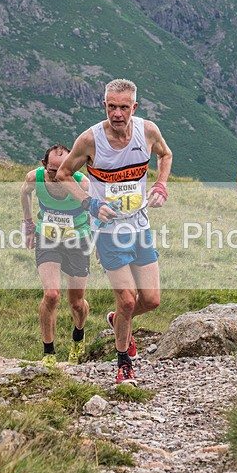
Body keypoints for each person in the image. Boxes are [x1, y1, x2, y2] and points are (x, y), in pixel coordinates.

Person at [57, 79, 172, 386]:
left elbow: (166, 154)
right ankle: (124, 364)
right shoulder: (90, 140)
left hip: (140, 225)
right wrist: (90, 204)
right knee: (128, 300)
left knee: (152, 300)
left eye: (123, 107)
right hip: (107, 231)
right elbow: (63, 174)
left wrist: (161, 184)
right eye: (111, 106)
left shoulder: (148, 131)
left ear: (134, 107)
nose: (117, 113)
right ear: (104, 105)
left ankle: (116, 320)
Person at [21, 145, 92, 367]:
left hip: (78, 241)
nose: (58, 176)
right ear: (44, 165)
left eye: (63, 170)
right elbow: (24, 193)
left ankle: (78, 337)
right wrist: (28, 223)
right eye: (53, 171)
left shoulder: (82, 183)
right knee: (51, 294)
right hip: (48, 238)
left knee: (77, 303)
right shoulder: (35, 178)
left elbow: (96, 212)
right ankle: (48, 353)